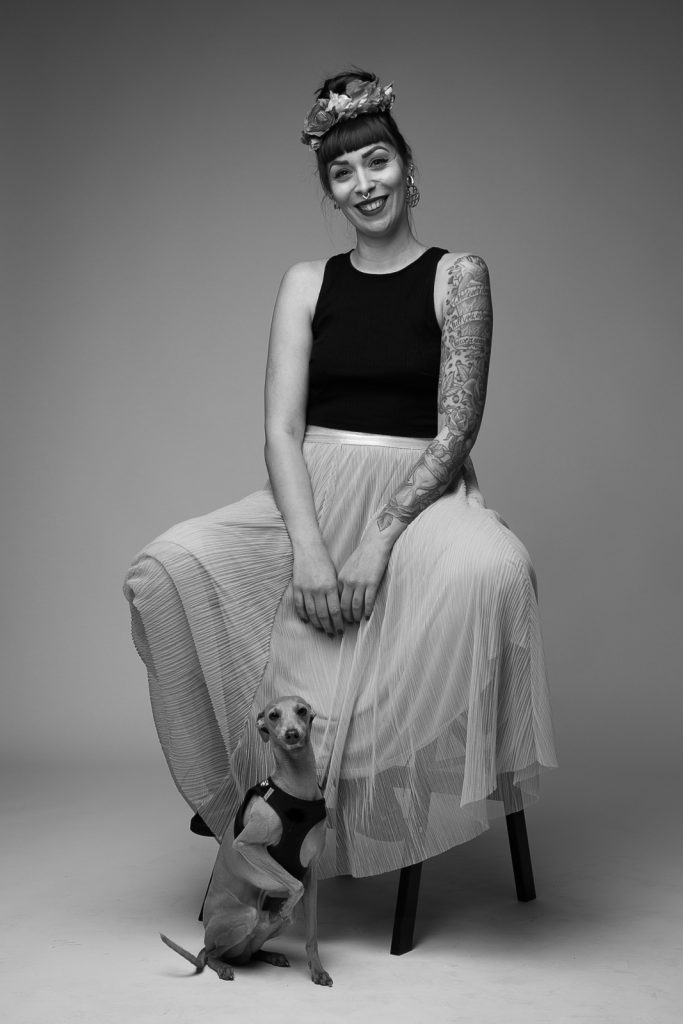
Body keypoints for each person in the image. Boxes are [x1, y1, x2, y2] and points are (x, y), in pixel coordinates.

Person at [123, 69, 557, 879]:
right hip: (312, 491)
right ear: (328, 190)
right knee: (168, 566)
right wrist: (312, 549)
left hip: (420, 494)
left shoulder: (458, 275)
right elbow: (281, 431)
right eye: (342, 172)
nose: (364, 184)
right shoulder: (306, 281)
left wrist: (379, 539)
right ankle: (247, 792)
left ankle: (391, 792)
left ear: (407, 168)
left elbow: (457, 428)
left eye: (377, 162)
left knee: (497, 571)